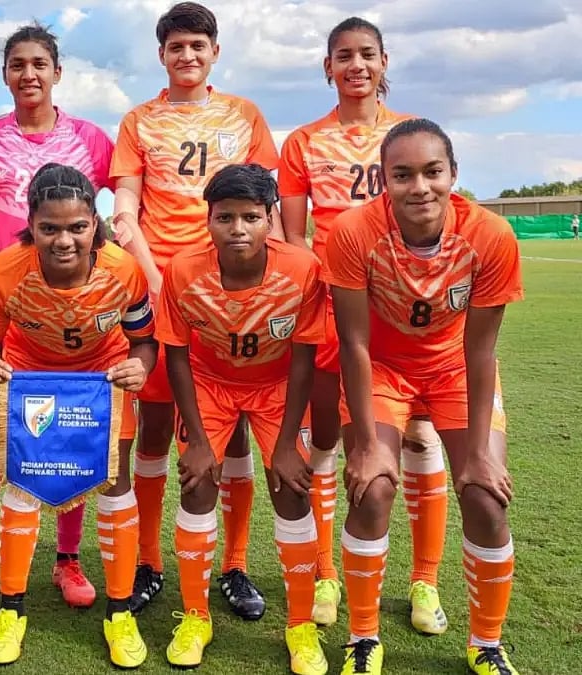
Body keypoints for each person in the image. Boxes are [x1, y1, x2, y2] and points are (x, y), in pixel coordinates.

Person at [325, 118, 522, 675]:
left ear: (453, 174)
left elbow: (481, 352)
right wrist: (365, 443)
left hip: (454, 370)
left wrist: (480, 451)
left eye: (433, 172)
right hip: (382, 370)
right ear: (382, 180)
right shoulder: (354, 232)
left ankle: (486, 643)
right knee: (372, 489)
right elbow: (355, 344)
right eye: (402, 174)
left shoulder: (489, 236)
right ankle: (362, 639)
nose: (420, 187)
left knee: (485, 496)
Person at [277, 17, 450, 632]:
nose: (356, 66)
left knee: (422, 443)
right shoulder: (302, 143)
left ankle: (425, 581)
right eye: (343, 56)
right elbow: (295, 238)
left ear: (384, 61)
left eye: (367, 54)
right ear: (328, 67)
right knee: (329, 445)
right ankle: (326, 572)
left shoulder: (411, 137)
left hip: (407, 315)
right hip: (333, 311)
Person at [0, 21, 116, 609]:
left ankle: (68, 561)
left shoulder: (90, 138)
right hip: (7, 307)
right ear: (5, 73)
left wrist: (110, 242)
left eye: (40, 63)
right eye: (18, 64)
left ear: (57, 71)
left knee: (74, 433)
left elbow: (128, 192)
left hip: (76, 310)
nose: (29, 74)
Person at [110, 0, 279, 618]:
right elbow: (127, 202)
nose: (187, 55)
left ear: (215, 52)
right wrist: (154, 277)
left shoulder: (245, 115)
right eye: (176, 46)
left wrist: (273, 272)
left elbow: (266, 203)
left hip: (233, 294)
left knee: (231, 431)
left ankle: (233, 565)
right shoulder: (139, 120)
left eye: (197, 45)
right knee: (155, 427)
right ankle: (151, 559)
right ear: (162, 54)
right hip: (162, 289)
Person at [0, 164, 154, 668]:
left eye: (77, 226)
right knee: (23, 483)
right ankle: (11, 608)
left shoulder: (124, 270)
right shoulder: (4, 273)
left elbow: (144, 343)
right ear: (31, 224)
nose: (64, 240)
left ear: (95, 223)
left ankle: (121, 614)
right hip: (33, 378)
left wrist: (139, 367)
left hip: (100, 377)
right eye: (49, 228)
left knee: (114, 485)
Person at [156, 164, 327, 673]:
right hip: (209, 384)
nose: (237, 229)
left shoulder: (301, 269)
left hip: (277, 389)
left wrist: (283, 446)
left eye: (251, 217)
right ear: (207, 220)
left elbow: (303, 358)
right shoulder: (184, 270)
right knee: (197, 484)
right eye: (224, 217)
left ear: (271, 218)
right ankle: (195, 617)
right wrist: (200, 441)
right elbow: (178, 357)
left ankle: (300, 626)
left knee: (292, 489)